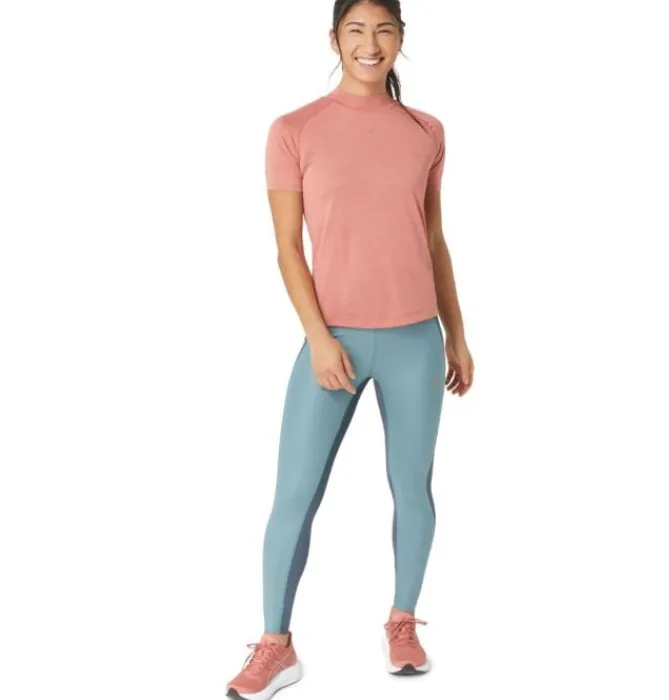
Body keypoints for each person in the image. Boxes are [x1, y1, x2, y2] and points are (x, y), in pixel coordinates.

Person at [225, 0, 474, 697]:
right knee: (294, 494)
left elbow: (432, 239)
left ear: (401, 38)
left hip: (416, 339)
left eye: (384, 29)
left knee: (413, 488)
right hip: (331, 340)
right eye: (356, 30)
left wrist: (456, 333)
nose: (371, 43)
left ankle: (403, 622)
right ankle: (275, 645)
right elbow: (287, 248)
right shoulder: (294, 129)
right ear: (334, 39)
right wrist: (317, 337)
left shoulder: (426, 131)